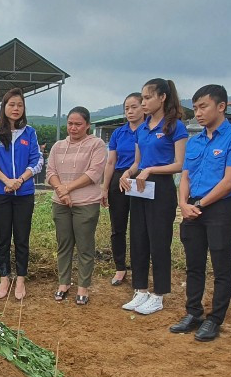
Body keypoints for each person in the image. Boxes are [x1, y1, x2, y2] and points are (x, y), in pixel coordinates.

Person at [170, 85, 231, 341]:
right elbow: (185, 176)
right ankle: (193, 312)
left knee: (221, 266)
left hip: (219, 208)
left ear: (221, 106)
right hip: (192, 207)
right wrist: (183, 203)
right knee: (194, 265)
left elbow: (230, 181)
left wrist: (201, 204)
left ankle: (215, 318)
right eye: (195, 108)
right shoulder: (195, 142)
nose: (198, 113)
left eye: (203, 106)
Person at [120, 78, 188, 315]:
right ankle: (140, 290)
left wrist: (151, 170)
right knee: (138, 238)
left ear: (162, 98)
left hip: (161, 187)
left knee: (159, 241)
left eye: (148, 97)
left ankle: (158, 294)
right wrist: (128, 172)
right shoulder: (142, 128)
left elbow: (179, 164)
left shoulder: (175, 126)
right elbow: (138, 162)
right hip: (139, 187)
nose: (143, 102)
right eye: (143, 97)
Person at [0, 87, 41, 300]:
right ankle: (5, 277)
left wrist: (20, 180)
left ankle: (21, 279)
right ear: (4, 107)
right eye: (12, 104)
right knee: (2, 236)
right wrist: (7, 181)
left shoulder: (30, 133)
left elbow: (37, 161)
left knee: (22, 237)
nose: (16, 108)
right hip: (0, 191)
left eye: (20, 105)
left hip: (24, 193)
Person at [46, 107, 107, 305]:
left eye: (78, 124)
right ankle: (63, 283)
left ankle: (83, 286)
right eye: (70, 123)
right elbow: (50, 172)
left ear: (87, 125)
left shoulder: (96, 145)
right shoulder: (58, 146)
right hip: (61, 204)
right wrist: (61, 191)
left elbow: (94, 173)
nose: (73, 128)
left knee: (84, 246)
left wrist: (67, 189)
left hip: (86, 203)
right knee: (63, 244)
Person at [102, 93, 145, 286]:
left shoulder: (149, 130)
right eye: (126, 108)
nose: (130, 111)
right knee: (117, 227)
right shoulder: (119, 133)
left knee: (139, 228)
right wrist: (105, 188)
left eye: (134, 107)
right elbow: (111, 162)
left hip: (141, 178)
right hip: (119, 179)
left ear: (143, 107)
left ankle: (139, 268)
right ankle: (120, 268)